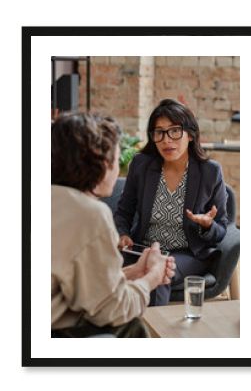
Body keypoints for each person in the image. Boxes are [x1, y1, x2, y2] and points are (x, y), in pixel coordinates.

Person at [51, 112, 175, 337]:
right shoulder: (89, 214)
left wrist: (134, 272)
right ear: (103, 163)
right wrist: (153, 276)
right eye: (117, 160)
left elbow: (81, 287)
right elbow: (114, 309)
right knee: (132, 326)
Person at [115, 99, 228, 306]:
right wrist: (123, 234)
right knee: (101, 267)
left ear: (190, 134)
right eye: (159, 132)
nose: (167, 140)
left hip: (187, 254)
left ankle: (151, 336)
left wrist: (207, 225)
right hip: (143, 249)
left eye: (174, 131)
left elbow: (221, 229)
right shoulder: (141, 165)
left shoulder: (210, 171)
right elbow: (124, 212)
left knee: (160, 271)